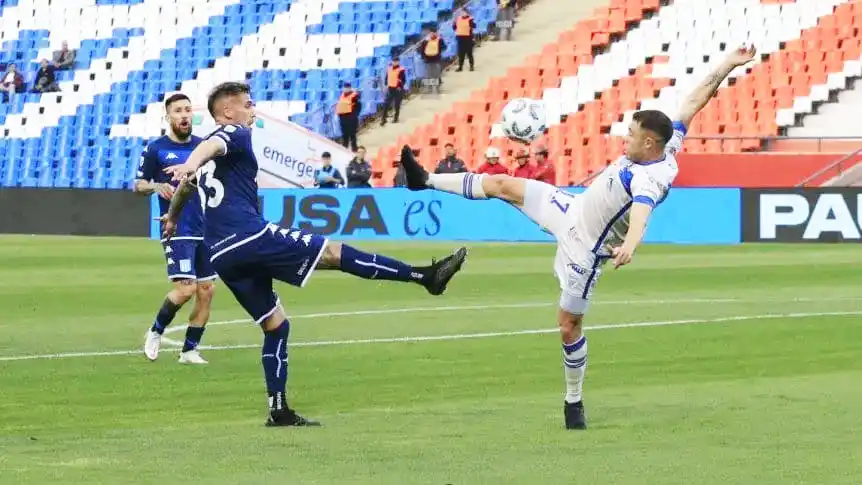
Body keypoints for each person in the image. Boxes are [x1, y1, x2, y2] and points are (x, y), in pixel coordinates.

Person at [396, 46, 758, 430]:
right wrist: (727, 65)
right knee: (503, 184)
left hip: (584, 249)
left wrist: (631, 245)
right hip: (570, 207)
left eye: (631, 135)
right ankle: (425, 180)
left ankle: (573, 402)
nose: (625, 139)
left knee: (568, 325)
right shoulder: (665, 144)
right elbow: (695, 99)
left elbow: (642, 211)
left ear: (649, 144)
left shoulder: (650, 177)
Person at [160, 82, 468, 427]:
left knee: (276, 326)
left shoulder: (210, 156)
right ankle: (425, 277)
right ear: (228, 111)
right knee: (334, 253)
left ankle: (279, 410)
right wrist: (190, 161)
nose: (253, 110)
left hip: (222, 255)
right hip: (249, 236)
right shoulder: (232, 132)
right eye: (248, 105)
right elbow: (213, 144)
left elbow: (186, 186)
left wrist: (172, 216)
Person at [134, 93, 215, 365]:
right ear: (167, 117)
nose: (184, 115)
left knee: (206, 291)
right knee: (185, 289)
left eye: (188, 110)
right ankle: (155, 331)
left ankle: (189, 350)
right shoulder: (156, 148)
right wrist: (157, 186)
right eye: (178, 111)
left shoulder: (203, 147)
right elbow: (138, 185)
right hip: (176, 226)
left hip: (204, 228)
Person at [419, 28, 446, 94]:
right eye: (432, 33)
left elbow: (444, 47)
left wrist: (441, 46)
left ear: (436, 33)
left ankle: (437, 88)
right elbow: (422, 50)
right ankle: (429, 88)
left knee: (436, 74)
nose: (433, 34)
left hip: (436, 59)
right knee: (428, 75)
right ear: (430, 33)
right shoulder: (425, 41)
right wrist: (424, 58)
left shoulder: (440, 40)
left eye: (434, 33)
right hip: (428, 60)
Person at [381, 57, 406, 126]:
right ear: (392, 62)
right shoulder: (389, 68)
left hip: (398, 90)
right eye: (394, 61)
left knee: (397, 105)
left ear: (398, 62)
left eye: (396, 61)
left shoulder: (401, 69)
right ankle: (383, 119)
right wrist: (386, 83)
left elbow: (403, 80)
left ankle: (396, 118)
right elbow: (387, 77)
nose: (395, 62)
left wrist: (400, 86)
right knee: (386, 104)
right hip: (390, 89)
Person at [336, 82, 360, 151]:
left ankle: (354, 148)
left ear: (350, 88)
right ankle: (344, 148)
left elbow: (357, 106)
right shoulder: (342, 95)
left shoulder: (354, 96)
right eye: (345, 87)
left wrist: (354, 115)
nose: (345, 89)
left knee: (352, 134)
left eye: (347, 87)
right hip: (343, 118)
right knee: (345, 135)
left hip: (351, 118)